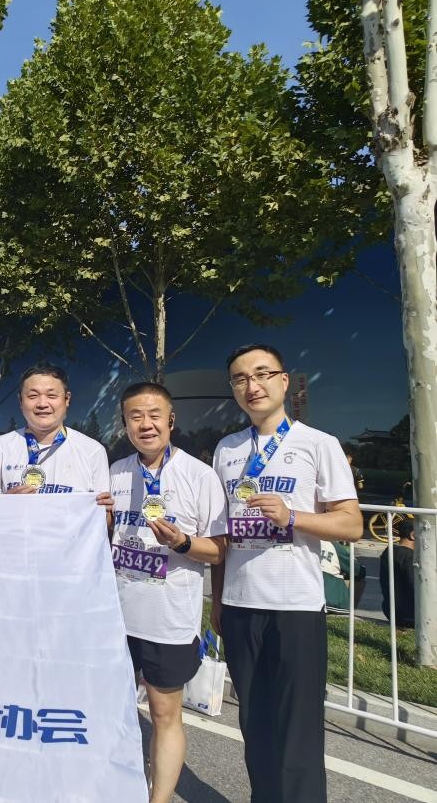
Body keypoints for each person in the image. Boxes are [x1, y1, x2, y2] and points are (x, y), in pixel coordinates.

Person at [210, 344, 362, 803]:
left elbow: (351, 524)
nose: (252, 386)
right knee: (254, 725)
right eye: (240, 378)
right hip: (240, 604)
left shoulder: (318, 443)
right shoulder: (227, 449)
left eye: (261, 374)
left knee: (297, 731)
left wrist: (292, 516)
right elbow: (222, 535)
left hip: (295, 606)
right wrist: (218, 600)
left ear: (283, 381)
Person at [109, 382, 227, 803]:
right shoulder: (115, 472)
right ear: (125, 424)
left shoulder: (200, 475)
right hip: (115, 617)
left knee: (164, 713)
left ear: (171, 421)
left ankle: (158, 799)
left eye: (154, 415)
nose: (146, 424)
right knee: (115, 710)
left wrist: (182, 542)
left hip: (167, 620)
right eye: (135, 416)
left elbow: (219, 550)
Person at [0, 364, 113, 518]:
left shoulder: (93, 451)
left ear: (67, 399)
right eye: (32, 396)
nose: (42, 404)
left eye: (51, 396)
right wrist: (5, 505)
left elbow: (103, 521)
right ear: (20, 401)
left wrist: (105, 514)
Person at [379, 520, 416, 627]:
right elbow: (415, 586)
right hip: (412, 615)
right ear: (413, 535)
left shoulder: (388, 552)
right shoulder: (410, 557)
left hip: (391, 612)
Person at [321, 539, 366, 614]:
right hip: (332, 602)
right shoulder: (333, 545)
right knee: (357, 574)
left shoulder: (302, 544)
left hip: (304, 598)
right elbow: (358, 570)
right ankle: (350, 606)